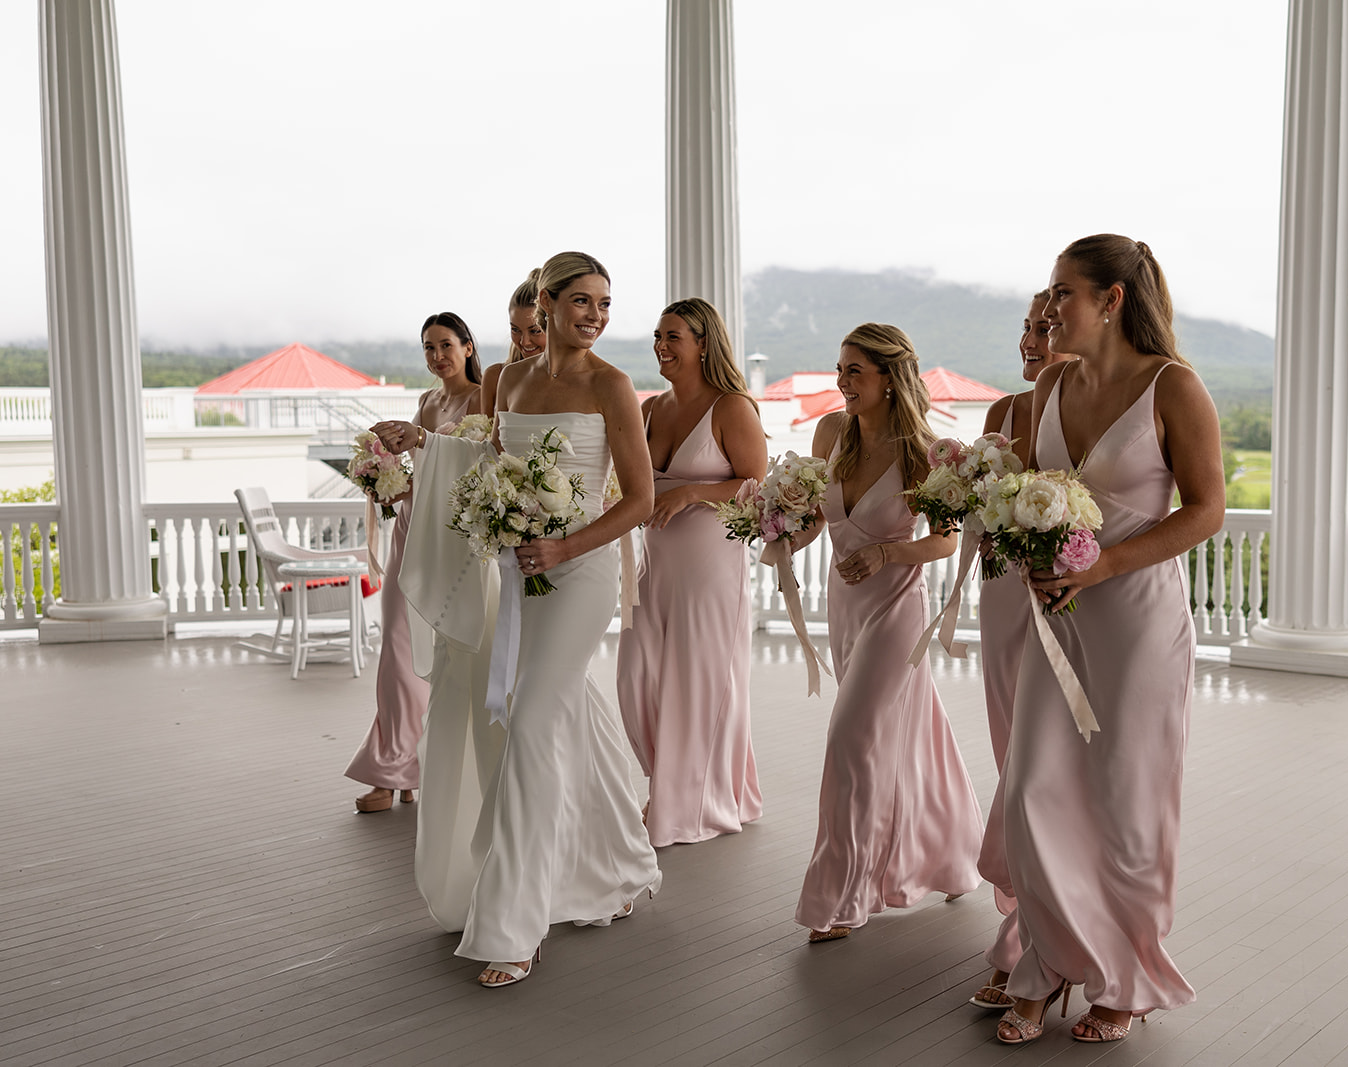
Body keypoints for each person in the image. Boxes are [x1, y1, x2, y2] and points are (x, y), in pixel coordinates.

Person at [375, 252, 661, 988]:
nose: (595, 315)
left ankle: (514, 922)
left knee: (531, 720)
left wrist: (565, 542)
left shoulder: (613, 385)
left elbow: (639, 501)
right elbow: (487, 459)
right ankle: (615, 860)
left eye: (604, 302)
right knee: (549, 717)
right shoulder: (507, 380)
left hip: (582, 569)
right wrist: (426, 446)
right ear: (546, 300)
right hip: (518, 568)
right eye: (580, 301)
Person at [987, 236, 1224, 1045]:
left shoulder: (1173, 387)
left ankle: (1127, 976)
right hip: (1055, 619)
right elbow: (1022, 491)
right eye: (1050, 293)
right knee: (1030, 791)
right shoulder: (1049, 383)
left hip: (1137, 624)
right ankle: (1047, 962)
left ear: (1112, 300)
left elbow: (1205, 509)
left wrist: (1107, 564)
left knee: (1129, 802)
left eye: (1063, 292)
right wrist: (1016, 544)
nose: (1049, 308)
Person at [790, 323, 984, 944]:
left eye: (855, 372)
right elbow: (816, 521)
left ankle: (843, 894)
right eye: (839, 369)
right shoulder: (830, 433)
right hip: (843, 608)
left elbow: (947, 540)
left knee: (853, 738)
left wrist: (885, 556)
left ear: (889, 378)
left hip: (896, 608)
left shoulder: (928, 451)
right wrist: (778, 534)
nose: (842, 382)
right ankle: (953, 850)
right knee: (908, 729)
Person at [616, 298, 767, 846]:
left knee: (698, 683)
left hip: (709, 565)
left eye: (673, 336)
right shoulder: (652, 407)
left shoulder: (731, 408)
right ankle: (674, 782)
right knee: (635, 677)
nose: (661, 345)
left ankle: (684, 799)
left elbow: (756, 484)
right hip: (654, 564)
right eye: (657, 335)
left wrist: (694, 493)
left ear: (703, 343)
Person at [969, 290, 1073, 1010]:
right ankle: (1021, 917)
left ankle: (1030, 944)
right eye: (1027, 328)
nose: (1032, 340)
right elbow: (979, 507)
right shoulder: (1001, 412)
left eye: (1046, 326)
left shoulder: (1087, 405)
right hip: (1000, 595)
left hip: (1059, 599)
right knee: (1011, 758)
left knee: (1038, 771)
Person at [345, 312, 483, 813]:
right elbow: (420, 472)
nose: (437, 356)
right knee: (396, 650)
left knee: (446, 658)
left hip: (452, 540)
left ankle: (427, 766)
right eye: (428, 348)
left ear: (468, 348)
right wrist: (382, 480)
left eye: (446, 345)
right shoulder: (427, 402)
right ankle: (390, 767)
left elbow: (476, 467)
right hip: (411, 528)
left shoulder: (484, 398)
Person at [479, 269, 545, 414]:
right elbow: (488, 435)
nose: (525, 342)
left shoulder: (572, 379)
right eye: (516, 330)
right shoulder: (494, 377)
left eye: (535, 331)